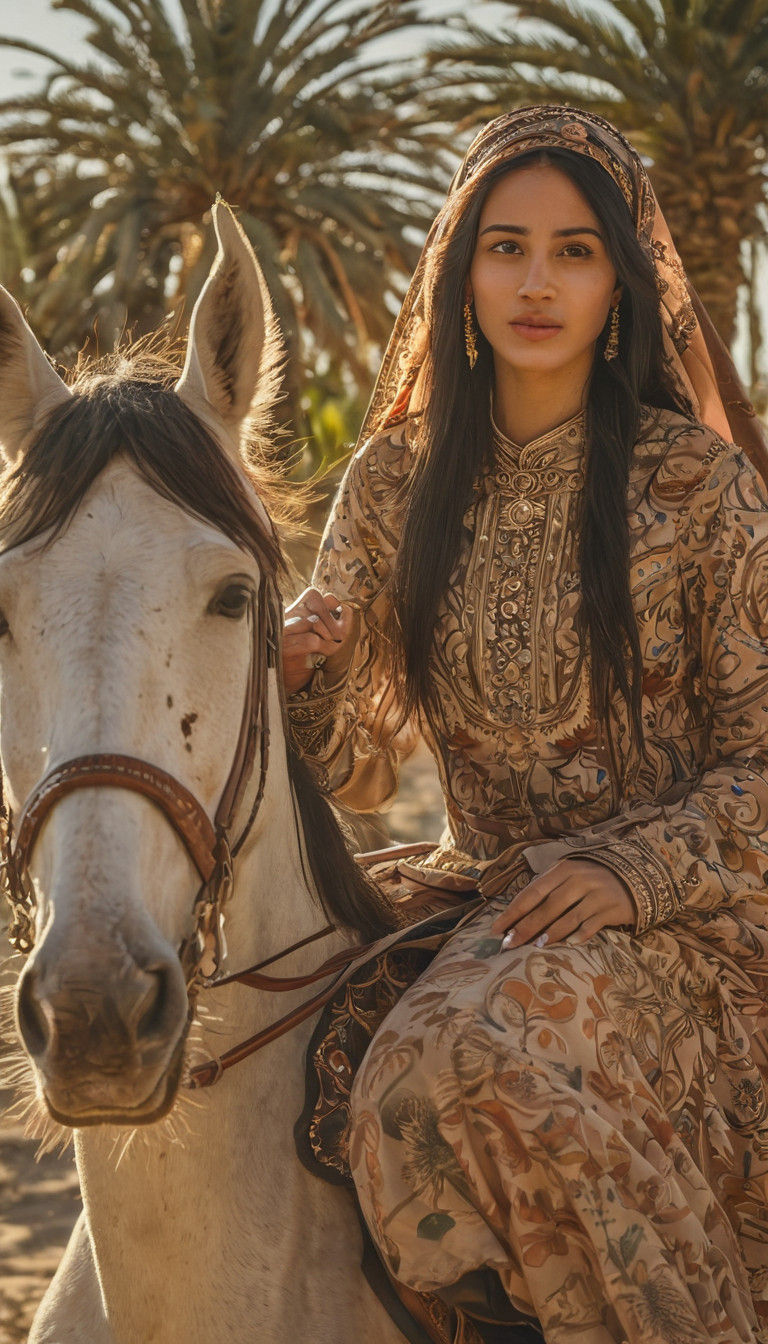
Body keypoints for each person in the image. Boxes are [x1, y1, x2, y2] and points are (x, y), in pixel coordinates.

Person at [285, 106, 768, 1344]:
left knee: (451, 1059)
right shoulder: (392, 482)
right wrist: (305, 677)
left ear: (622, 281)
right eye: (505, 247)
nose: (536, 282)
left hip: (688, 915)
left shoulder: (695, 485)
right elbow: (351, 774)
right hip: (481, 893)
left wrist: (633, 867)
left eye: (574, 250)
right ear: (461, 273)